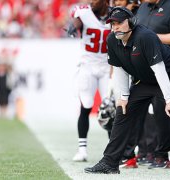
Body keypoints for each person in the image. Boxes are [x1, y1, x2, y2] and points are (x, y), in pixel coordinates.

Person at [84, 7, 170, 177]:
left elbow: (159, 69)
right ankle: (110, 162)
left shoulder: (145, 37)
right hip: (145, 79)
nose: (116, 27)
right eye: (113, 24)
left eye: (119, 22)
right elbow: (119, 67)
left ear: (131, 22)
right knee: (123, 111)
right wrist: (123, 97)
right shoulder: (112, 40)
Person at [135, 0, 170, 169]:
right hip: (145, 66)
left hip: (169, 64)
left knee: (169, 108)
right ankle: (153, 151)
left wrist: (152, 38)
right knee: (153, 112)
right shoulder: (143, 7)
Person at [67, 0, 111, 162]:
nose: (93, 2)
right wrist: (74, 26)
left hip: (107, 66)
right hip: (88, 65)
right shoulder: (83, 12)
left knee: (110, 108)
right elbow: (75, 23)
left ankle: (112, 150)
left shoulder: (114, 14)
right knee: (86, 105)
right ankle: (82, 149)